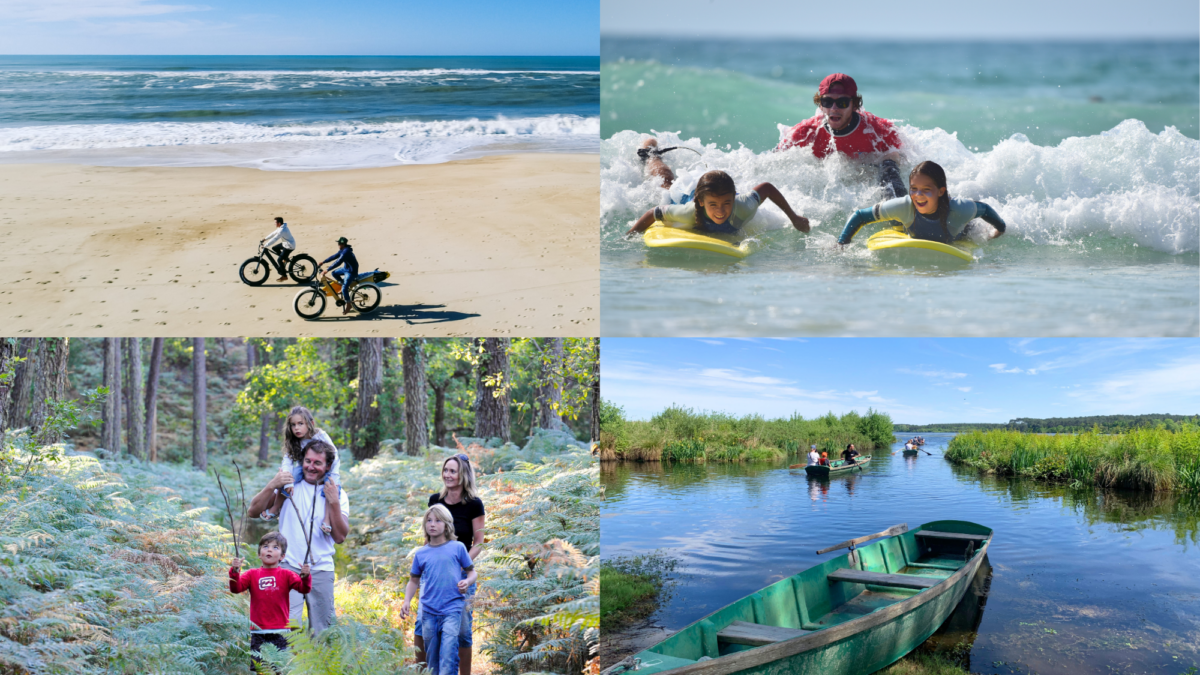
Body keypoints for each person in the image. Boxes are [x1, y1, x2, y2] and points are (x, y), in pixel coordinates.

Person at [247, 442, 348, 636]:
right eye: (307, 461)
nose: (311, 466)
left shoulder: (337, 494)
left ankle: (318, 667)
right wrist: (272, 484)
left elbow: (340, 536)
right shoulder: (288, 487)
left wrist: (334, 501)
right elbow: (252, 511)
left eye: (317, 463)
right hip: (287, 567)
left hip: (321, 569)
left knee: (323, 633)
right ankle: (284, 667)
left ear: (328, 466)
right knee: (284, 630)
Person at [776, 73, 907, 199]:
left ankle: (897, 207)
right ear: (820, 105)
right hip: (831, 189)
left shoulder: (876, 130)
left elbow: (906, 156)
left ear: (854, 105)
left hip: (869, 176)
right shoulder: (806, 132)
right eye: (827, 101)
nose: (834, 108)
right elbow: (774, 161)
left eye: (842, 102)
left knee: (890, 162)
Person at [414, 454, 486, 675]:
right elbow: (429, 537)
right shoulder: (435, 499)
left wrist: (461, 565)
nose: (448, 475)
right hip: (433, 575)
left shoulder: (474, 504)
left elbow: (479, 543)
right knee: (421, 625)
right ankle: (424, 671)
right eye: (445, 470)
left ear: (463, 474)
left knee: (462, 631)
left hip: (461, 575)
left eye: (453, 471)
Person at [837, 161, 1007, 246]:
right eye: (914, 188)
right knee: (890, 192)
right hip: (905, 221)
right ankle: (888, 163)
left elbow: (984, 209)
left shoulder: (959, 209)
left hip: (957, 232)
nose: (918, 195)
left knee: (970, 229)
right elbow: (859, 216)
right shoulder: (904, 206)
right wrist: (841, 244)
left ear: (941, 191)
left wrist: (999, 229)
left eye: (926, 189)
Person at [401, 504, 478, 675]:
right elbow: (414, 581)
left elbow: (472, 573)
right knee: (432, 659)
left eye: (437, 520)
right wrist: (406, 601)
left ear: (447, 525)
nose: (432, 524)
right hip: (429, 612)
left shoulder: (458, 548)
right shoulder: (421, 554)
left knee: (448, 655)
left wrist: (467, 582)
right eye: (429, 520)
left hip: (452, 609)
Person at [625, 169, 810, 236]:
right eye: (714, 205)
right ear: (703, 204)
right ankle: (651, 155)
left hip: (713, 190)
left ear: (734, 197)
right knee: (666, 184)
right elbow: (654, 212)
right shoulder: (688, 212)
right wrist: (631, 235)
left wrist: (794, 218)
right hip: (690, 193)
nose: (721, 211)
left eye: (726, 203)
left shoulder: (743, 206)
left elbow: (767, 188)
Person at [229, 532, 311, 670]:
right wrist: (235, 571)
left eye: (275, 547)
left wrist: (305, 577)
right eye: (265, 546)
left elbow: (304, 589)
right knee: (260, 668)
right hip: (258, 631)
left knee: (279, 668)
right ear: (259, 554)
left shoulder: (287, 574)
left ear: (282, 556)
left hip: (281, 630)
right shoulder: (251, 574)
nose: (269, 549)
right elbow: (236, 588)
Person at [259, 406, 341, 535]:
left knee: (332, 489)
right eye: (293, 425)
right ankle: (275, 507)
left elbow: (334, 455)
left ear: (310, 424)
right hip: (304, 468)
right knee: (286, 477)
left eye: (300, 424)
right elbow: (287, 461)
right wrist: (287, 482)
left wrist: (334, 476)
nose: (296, 428)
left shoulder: (320, 436)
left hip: (329, 469)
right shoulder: (294, 441)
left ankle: (327, 520)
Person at [319, 236, 359, 315]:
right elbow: (334, 256)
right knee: (334, 273)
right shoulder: (342, 250)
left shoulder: (346, 252)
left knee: (344, 289)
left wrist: (327, 270)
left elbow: (338, 261)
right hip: (346, 268)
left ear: (342, 244)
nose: (338, 245)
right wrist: (323, 262)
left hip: (351, 271)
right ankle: (342, 283)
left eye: (339, 243)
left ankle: (349, 304)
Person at [261, 217, 296, 282]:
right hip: (286, 244)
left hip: (289, 246)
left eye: (275, 222)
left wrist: (265, 245)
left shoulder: (282, 230)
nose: (274, 224)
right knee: (274, 248)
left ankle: (284, 276)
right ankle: (285, 258)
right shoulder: (281, 228)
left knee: (279, 260)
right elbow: (273, 233)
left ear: (279, 223)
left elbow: (274, 239)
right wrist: (265, 239)